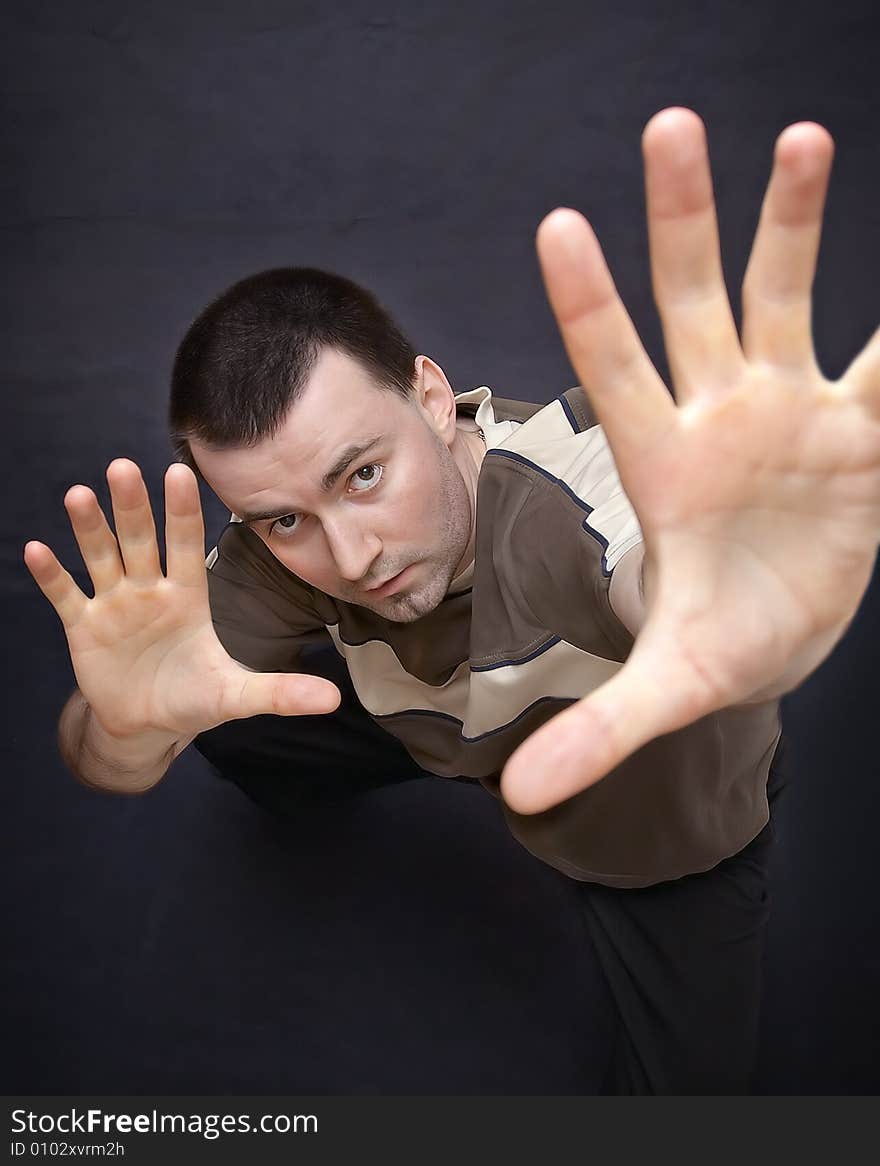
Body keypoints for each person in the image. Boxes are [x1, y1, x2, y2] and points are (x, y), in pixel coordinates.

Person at [23, 108, 880, 1092]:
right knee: (222, 706)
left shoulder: (574, 498)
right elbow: (110, 754)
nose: (351, 555)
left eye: (361, 475)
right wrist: (123, 730)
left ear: (433, 395)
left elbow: (649, 558)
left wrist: (721, 584)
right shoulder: (283, 547)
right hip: (444, 721)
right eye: (282, 518)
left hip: (642, 797)